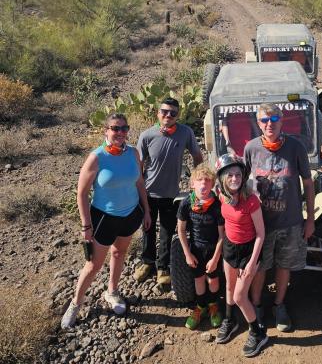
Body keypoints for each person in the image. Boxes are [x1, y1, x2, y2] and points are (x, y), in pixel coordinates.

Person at [61, 114, 151, 328]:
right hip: (103, 218)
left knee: (119, 253)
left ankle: (112, 291)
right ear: (106, 130)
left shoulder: (133, 153)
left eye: (124, 128)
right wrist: (86, 225)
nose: (120, 133)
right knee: (93, 265)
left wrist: (146, 211)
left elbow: (139, 184)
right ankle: (75, 303)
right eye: (115, 128)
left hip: (130, 215)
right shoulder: (97, 157)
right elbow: (81, 193)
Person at [244, 103, 315, 332]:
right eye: (264, 120)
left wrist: (310, 219)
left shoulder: (295, 147)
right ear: (258, 123)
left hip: (291, 221)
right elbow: (242, 184)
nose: (269, 124)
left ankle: (279, 305)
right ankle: (256, 306)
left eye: (274, 119)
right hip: (260, 225)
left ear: (281, 121)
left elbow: (308, 182)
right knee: (259, 266)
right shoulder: (251, 148)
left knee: (285, 266)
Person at [134, 97, 203, 284]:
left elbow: (197, 155)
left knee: (166, 230)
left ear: (177, 115)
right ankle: (147, 262)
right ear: (158, 113)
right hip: (148, 192)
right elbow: (138, 164)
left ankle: (162, 268)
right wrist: (138, 188)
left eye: (173, 113)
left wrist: (196, 179)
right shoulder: (147, 135)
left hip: (171, 194)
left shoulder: (185, 133)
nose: (168, 115)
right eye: (164, 111)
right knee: (147, 229)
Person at [214, 154, 267, 358]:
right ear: (222, 179)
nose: (234, 179)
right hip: (230, 246)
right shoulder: (221, 194)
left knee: (239, 296)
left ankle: (258, 332)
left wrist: (253, 262)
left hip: (248, 251)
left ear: (243, 176)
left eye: (238, 175)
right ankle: (231, 320)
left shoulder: (251, 200)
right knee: (229, 286)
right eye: (230, 175)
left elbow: (261, 233)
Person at [177, 163, 224, 330]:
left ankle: (213, 306)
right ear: (192, 184)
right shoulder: (186, 204)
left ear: (212, 184)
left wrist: (216, 257)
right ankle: (200, 307)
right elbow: (181, 230)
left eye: (207, 180)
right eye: (199, 180)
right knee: (198, 279)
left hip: (213, 249)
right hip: (195, 248)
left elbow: (222, 235)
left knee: (213, 280)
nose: (203, 184)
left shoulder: (217, 206)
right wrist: (187, 254)